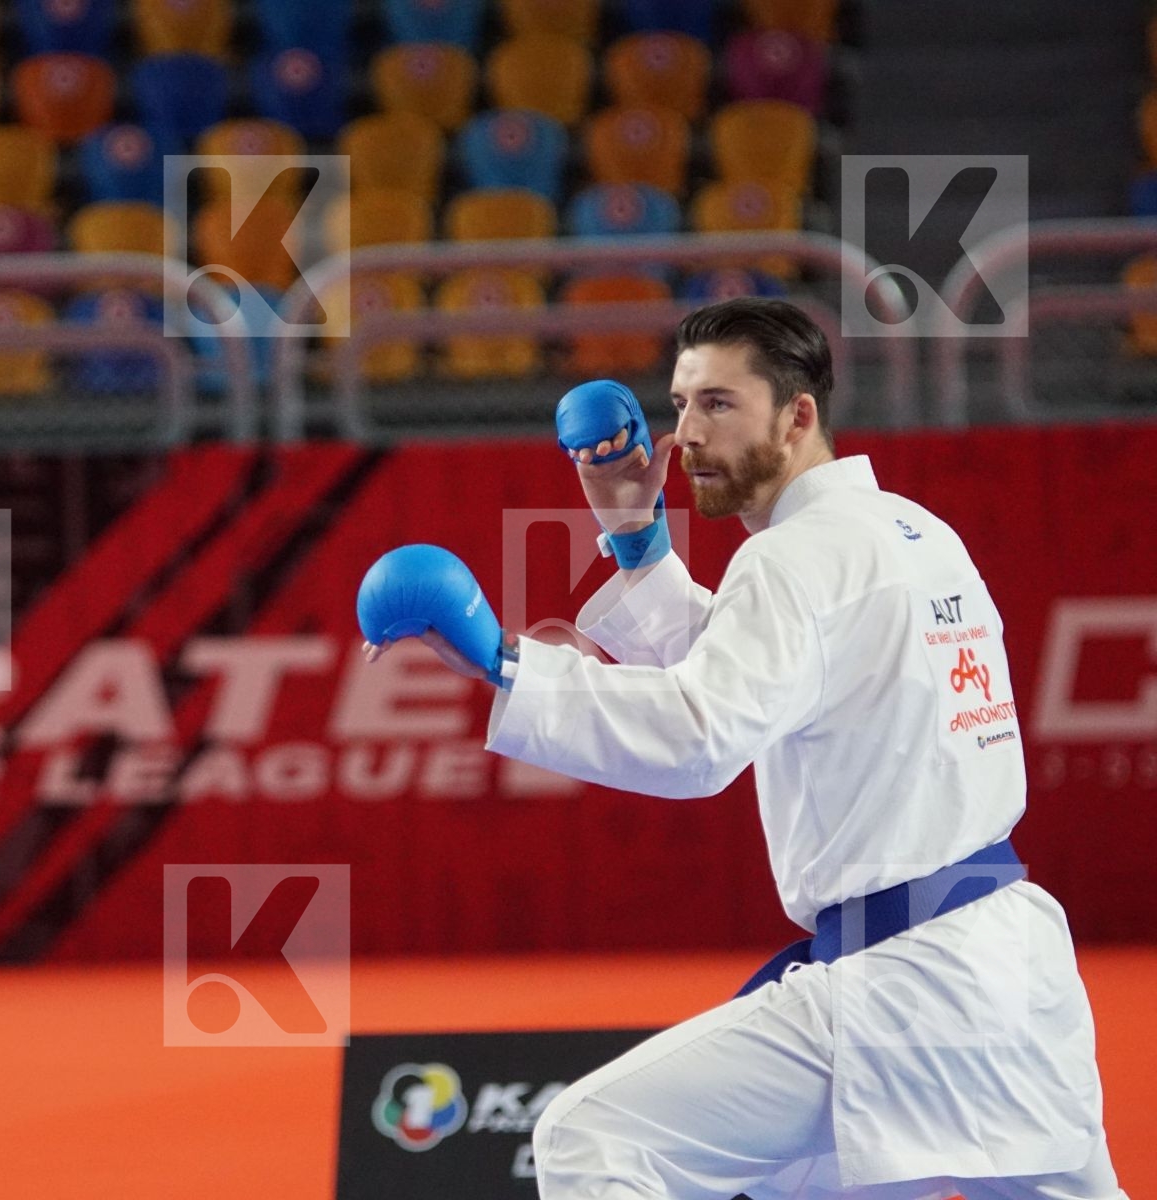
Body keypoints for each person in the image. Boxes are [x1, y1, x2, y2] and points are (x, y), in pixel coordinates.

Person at [362, 298, 1127, 1200]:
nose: (684, 434)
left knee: (591, 1138)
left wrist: (506, 668)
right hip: (1008, 967)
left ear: (798, 415)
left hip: (904, 989)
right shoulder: (914, 534)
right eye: (681, 404)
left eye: (718, 404)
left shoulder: (792, 558)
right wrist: (637, 541)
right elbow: (762, 680)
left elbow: (703, 736)